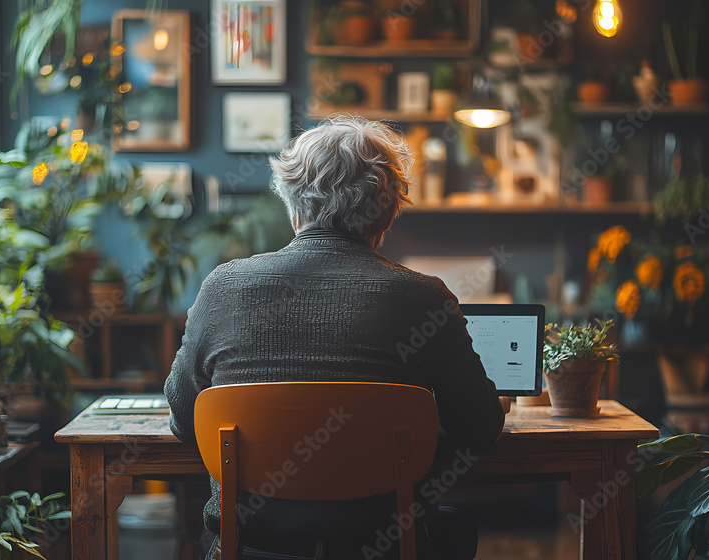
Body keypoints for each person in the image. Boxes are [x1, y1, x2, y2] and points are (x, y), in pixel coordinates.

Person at [165, 115, 508, 560]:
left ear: (293, 208)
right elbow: (480, 428)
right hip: (385, 545)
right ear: (387, 214)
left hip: (249, 545)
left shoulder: (223, 288)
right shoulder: (424, 298)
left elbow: (183, 419)